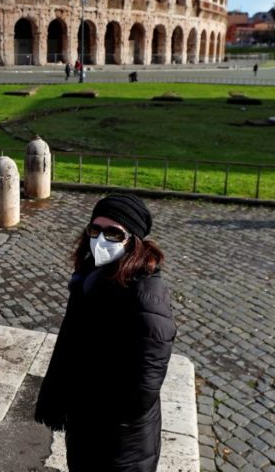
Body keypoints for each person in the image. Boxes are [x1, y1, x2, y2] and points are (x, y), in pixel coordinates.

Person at [35, 193, 176, 472]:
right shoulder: (93, 275)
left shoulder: (146, 296)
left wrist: (95, 408)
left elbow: (144, 388)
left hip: (119, 441)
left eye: (113, 233)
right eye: (95, 230)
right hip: (86, 423)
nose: (101, 239)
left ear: (133, 241)